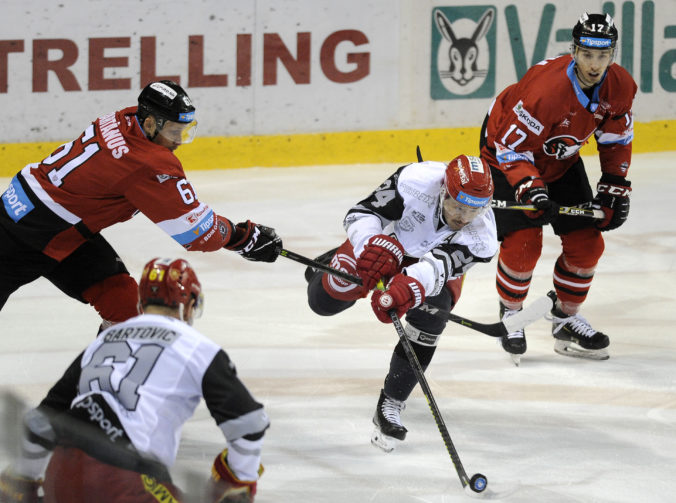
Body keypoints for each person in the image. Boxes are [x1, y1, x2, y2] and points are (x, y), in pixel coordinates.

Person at [0, 80, 282, 331]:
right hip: (25, 236)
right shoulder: (148, 162)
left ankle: (110, 381)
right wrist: (242, 237)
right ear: (149, 123)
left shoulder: (125, 117)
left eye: (184, 131)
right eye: (173, 131)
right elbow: (197, 232)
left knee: (126, 309)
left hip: (54, 220)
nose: (178, 141)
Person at [0, 257, 269, 503]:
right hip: (125, 477)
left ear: (141, 303)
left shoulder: (103, 340)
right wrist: (239, 479)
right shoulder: (197, 348)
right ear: (187, 304)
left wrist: (24, 479)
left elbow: (42, 421)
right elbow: (249, 425)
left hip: (62, 471)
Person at [305, 152, 498, 452]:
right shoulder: (414, 181)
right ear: (443, 190)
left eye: (473, 211)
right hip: (386, 243)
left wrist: (407, 288)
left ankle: (391, 403)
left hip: (430, 265)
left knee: (434, 316)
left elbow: (437, 269)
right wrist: (373, 245)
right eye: (457, 206)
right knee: (323, 302)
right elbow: (361, 213)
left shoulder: (482, 238)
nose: (463, 217)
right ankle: (330, 262)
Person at [479, 12, 636, 361]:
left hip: (560, 160)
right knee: (524, 244)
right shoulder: (545, 91)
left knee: (587, 244)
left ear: (612, 54)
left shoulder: (620, 86)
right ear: (575, 51)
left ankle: (565, 319)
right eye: (586, 54)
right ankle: (512, 315)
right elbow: (511, 148)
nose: (594, 65)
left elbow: (615, 140)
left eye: (603, 55)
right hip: (504, 156)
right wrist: (530, 187)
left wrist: (614, 185)